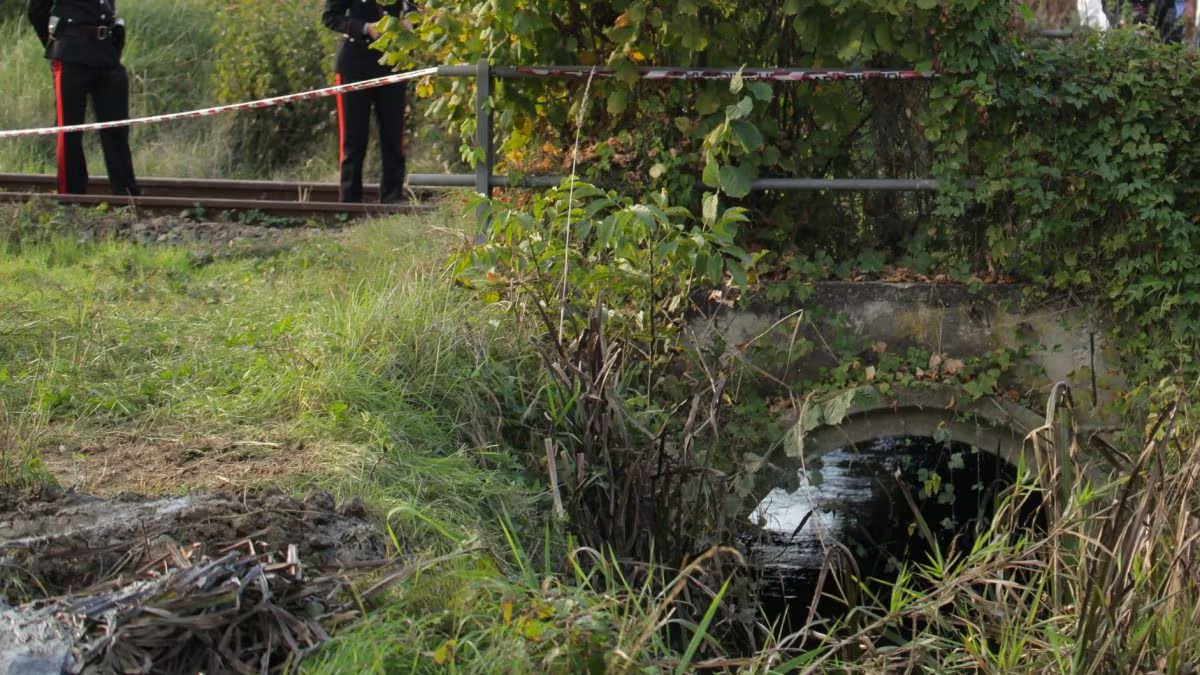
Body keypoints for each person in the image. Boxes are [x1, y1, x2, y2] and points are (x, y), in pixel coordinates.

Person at [27, 0, 140, 196]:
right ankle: (71, 195)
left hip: (107, 54)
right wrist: (57, 43)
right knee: (69, 130)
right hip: (71, 53)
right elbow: (37, 11)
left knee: (116, 127)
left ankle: (127, 195)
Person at [321, 0, 416, 204]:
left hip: (393, 63)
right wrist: (365, 28)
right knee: (353, 137)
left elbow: (415, 8)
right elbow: (330, 17)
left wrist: (410, 21)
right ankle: (349, 200)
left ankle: (392, 197)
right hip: (354, 64)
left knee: (393, 134)